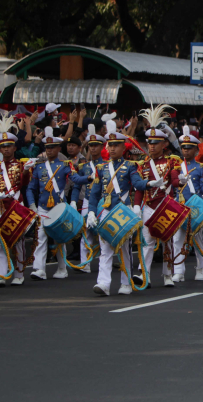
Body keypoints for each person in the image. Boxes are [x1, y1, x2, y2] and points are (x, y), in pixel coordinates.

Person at [85, 121, 149, 295]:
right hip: (106, 210)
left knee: (124, 249)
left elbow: (137, 184)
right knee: (105, 250)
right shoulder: (101, 168)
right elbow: (94, 193)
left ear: (123, 148)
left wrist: (149, 183)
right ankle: (103, 283)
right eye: (110, 145)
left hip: (123, 210)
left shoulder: (130, 166)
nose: (112, 149)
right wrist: (91, 211)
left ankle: (126, 282)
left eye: (116, 145)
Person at [133, 104, 181, 287]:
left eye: (155, 143)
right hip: (149, 206)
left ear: (164, 144)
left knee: (167, 242)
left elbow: (175, 182)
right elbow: (139, 188)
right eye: (149, 143)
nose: (151, 146)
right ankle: (145, 275)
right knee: (147, 242)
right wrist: (137, 206)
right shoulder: (142, 164)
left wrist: (181, 181)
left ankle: (168, 275)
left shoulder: (171, 162)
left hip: (166, 206)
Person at [0, 115, 33, 286]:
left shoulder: (21, 165)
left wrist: (27, 171)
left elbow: (24, 183)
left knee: (18, 240)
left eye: (9, 146)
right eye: (3, 147)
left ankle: (19, 273)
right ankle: (1, 274)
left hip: (16, 205)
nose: (6, 149)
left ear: (14, 147)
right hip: (0, 206)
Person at [25, 127, 75, 281]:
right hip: (42, 207)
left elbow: (76, 181)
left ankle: (62, 267)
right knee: (40, 238)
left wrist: (87, 179)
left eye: (52, 147)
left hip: (59, 207)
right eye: (47, 147)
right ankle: (39, 269)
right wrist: (32, 205)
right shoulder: (39, 167)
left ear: (59, 148)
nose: (49, 150)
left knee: (60, 238)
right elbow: (30, 189)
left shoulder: (65, 164)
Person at [171, 126, 203, 281]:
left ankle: (200, 268)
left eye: (189, 148)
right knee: (177, 239)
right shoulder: (176, 167)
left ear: (196, 151)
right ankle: (179, 271)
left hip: (195, 206)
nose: (186, 151)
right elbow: (173, 183)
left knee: (197, 239)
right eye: (183, 148)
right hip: (180, 206)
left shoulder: (202, 167)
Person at [69, 124, 106, 272]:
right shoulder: (84, 166)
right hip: (87, 201)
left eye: (96, 146)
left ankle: (105, 261)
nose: (93, 149)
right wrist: (73, 200)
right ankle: (85, 263)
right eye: (91, 146)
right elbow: (77, 185)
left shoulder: (106, 165)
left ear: (101, 147)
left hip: (103, 201)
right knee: (86, 231)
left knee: (103, 232)